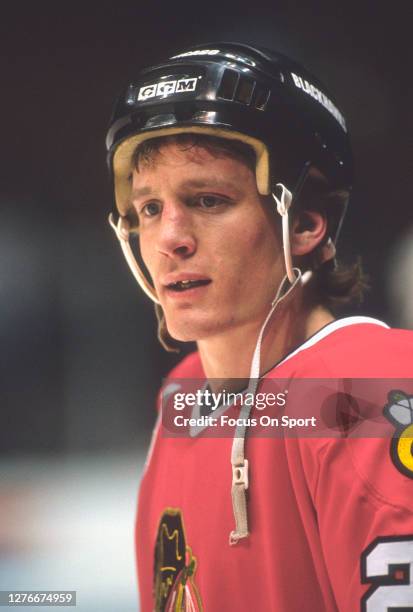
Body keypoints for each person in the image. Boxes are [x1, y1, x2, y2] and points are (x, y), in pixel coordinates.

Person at [106, 43, 413, 611]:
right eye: (149, 208)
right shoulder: (181, 401)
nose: (171, 238)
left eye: (207, 199)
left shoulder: (372, 391)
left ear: (306, 226)